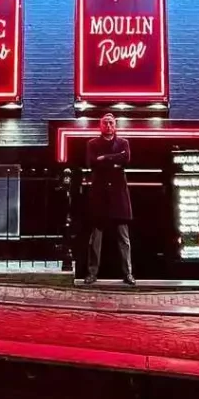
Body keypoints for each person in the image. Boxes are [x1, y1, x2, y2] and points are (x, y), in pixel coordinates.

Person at [84, 113, 135, 286]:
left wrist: (104, 158)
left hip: (119, 197)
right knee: (95, 239)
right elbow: (92, 162)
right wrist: (115, 160)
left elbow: (126, 159)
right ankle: (92, 273)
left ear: (115, 125)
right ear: (100, 125)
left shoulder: (124, 143)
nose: (108, 125)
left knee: (124, 239)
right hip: (100, 196)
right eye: (105, 123)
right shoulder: (92, 144)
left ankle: (128, 274)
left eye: (111, 123)